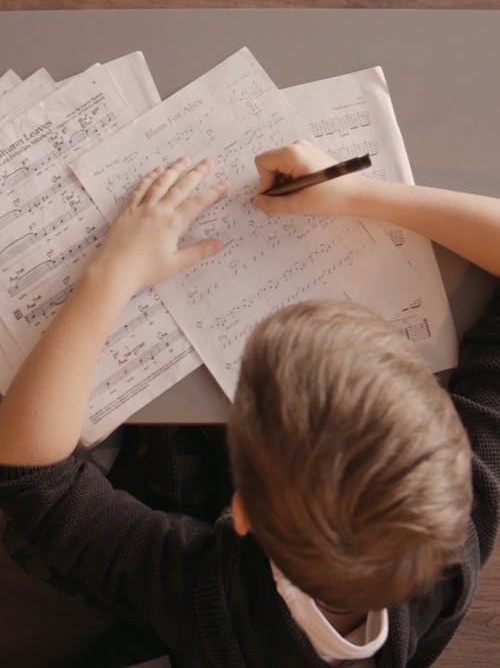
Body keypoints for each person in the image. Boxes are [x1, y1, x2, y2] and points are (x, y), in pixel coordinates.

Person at [0, 142, 498, 668]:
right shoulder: (458, 532)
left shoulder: (210, 604)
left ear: (240, 512)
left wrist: (112, 274)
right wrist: (359, 193)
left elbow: (29, 475)